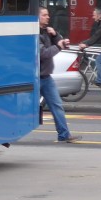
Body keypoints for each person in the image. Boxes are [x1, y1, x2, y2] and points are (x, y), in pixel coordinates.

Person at [39, 7, 80, 143]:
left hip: (46, 77)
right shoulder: (34, 34)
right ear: (37, 17)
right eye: (44, 15)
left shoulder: (47, 32)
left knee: (56, 105)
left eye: (48, 15)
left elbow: (60, 42)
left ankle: (64, 135)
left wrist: (55, 34)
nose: (48, 17)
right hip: (34, 78)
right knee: (23, 108)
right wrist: (59, 46)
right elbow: (44, 53)